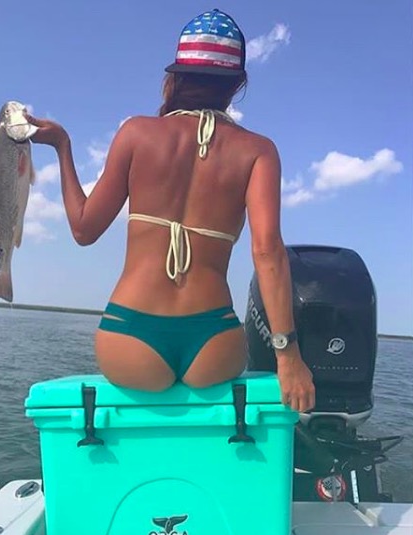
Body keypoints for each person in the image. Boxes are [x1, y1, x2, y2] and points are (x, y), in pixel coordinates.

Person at [27, 9, 315, 412]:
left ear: (174, 78)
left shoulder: (136, 133)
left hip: (129, 335)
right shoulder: (258, 151)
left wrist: (62, 146)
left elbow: (83, 229)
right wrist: (288, 357)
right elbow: (267, 251)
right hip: (213, 339)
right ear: (236, 85)